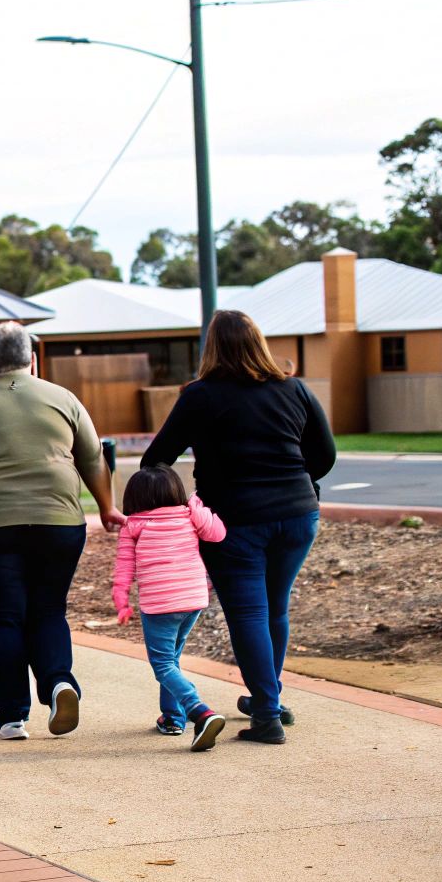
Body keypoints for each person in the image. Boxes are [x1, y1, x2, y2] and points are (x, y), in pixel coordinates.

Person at [142, 309, 335, 745]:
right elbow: (324, 457)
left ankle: (266, 715)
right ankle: (269, 697)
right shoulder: (294, 390)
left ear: (212, 347)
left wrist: (183, 505)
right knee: (275, 607)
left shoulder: (199, 396)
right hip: (297, 516)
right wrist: (296, 481)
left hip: (234, 524)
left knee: (249, 613)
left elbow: (154, 461)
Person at [0, 321, 127, 741]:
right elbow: (93, 458)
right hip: (57, 522)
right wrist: (107, 508)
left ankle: (11, 715)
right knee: (48, 609)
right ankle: (59, 684)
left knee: (2, 618)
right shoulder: (63, 398)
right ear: (33, 360)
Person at [111, 465, 229, 751]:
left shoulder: (134, 525)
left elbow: (124, 566)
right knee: (171, 660)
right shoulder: (190, 517)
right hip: (192, 601)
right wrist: (197, 506)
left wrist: (122, 601)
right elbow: (218, 533)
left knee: (163, 665)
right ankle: (172, 717)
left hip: (160, 605)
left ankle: (199, 711)